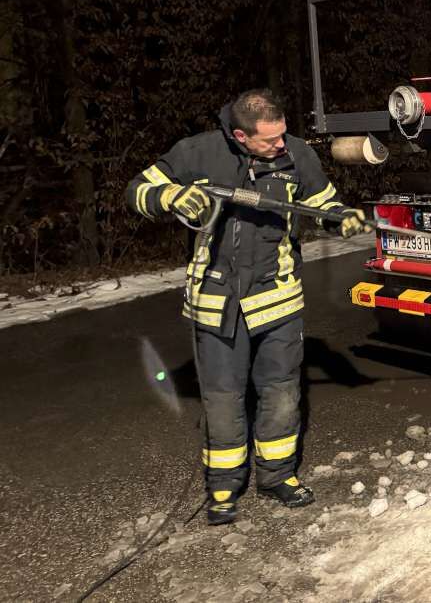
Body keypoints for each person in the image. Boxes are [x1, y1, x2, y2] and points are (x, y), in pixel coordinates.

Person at [126, 88, 372, 525]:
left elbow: (321, 200)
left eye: (283, 135)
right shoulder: (195, 153)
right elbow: (139, 190)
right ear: (240, 135)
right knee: (223, 399)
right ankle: (223, 485)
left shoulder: (296, 154)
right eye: (269, 140)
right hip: (216, 302)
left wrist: (342, 214)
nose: (281, 144)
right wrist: (172, 198)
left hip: (278, 296)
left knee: (281, 393)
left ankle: (278, 476)